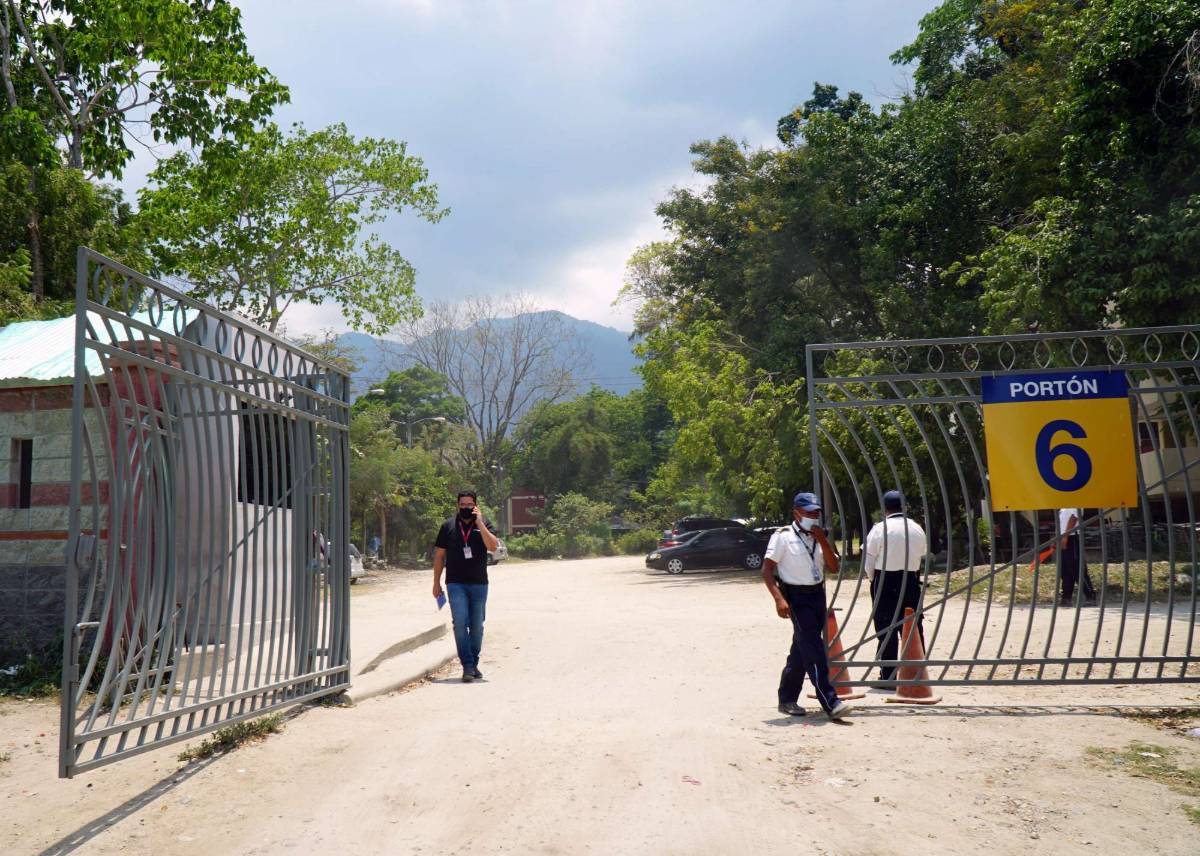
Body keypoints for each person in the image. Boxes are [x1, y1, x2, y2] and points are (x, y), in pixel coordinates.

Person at [762, 491, 853, 720]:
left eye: (816, 512)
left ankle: (787, 698)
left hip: (816, 595)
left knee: (801, 648)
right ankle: (830, 701)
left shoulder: (819, 537)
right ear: (797, 513)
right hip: (796, 596)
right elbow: (766, 569)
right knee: (814, 649)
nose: (813, 516)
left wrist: (822, 539)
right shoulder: (783, 536)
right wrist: (779, 599)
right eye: (808, 512)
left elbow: (833, 566)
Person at [432, 491, 500, 682]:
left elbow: (493, 547)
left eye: (469, 504)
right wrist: (436, 583)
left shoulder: (483, 524)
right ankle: (468, 666)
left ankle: (473, 663)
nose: (465, 508)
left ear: (475, 505)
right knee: (460, 623)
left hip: (479, 583)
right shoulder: (448, 526)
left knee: (477, 626)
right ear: (457, 506)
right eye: (462, 505)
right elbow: (439, 556)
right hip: (455, 583)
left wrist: (479, 523)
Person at [863, 490, 927, 686]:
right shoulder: (917, 528)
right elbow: (922, 553)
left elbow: (869, 561)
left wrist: (873, 580)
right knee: (913, 627)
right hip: (910, 581)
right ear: (904, 507)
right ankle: (916, 674)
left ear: (885, 509)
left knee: (885, 627)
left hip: (885, 581)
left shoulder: (879, 529)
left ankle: (888, 676)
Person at [1057, 507, 1096, 605]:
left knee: (1078, 568)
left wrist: (1065, 536)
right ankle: (1066, 598)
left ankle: (1090, 596)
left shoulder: (1076, 500)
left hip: (1072, 537)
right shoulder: (1063, 506)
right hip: (1063, 537)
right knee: (1066, 569)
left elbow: (1074, 517)